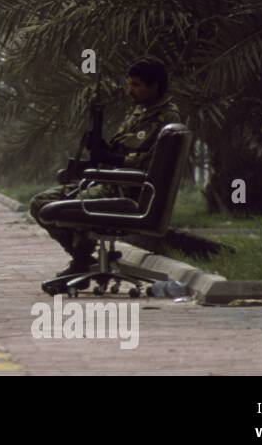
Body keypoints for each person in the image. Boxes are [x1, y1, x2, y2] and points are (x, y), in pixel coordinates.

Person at [29, 56, 182, 280]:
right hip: (110, 182)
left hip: (127, 191)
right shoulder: (139, 111)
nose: (130, 91)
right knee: (40, 203)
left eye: (136, 85)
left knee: (71, 206)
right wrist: (99, 149)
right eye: (130, 84)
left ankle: (81, 261)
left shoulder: (166, 117)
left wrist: (108, 158)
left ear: (155, 86)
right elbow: (122, 149)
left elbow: (144, 162)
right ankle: (83, 259)